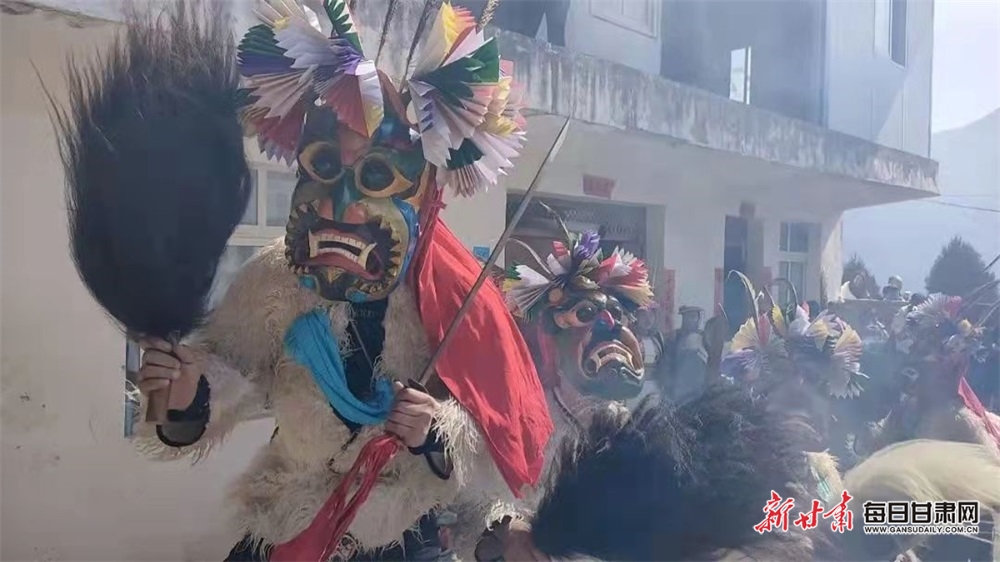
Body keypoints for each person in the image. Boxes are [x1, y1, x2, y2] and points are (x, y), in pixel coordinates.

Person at [125, 1, 551, 560]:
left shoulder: (455, 298)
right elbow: (225, 367)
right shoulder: (275, 278)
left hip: (398, 534)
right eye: (324, 167)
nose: (338, 204)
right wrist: (187, 396)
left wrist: (435, 432)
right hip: (288, 518)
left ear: (423, 193)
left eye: (375, 175)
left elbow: (491, 428)